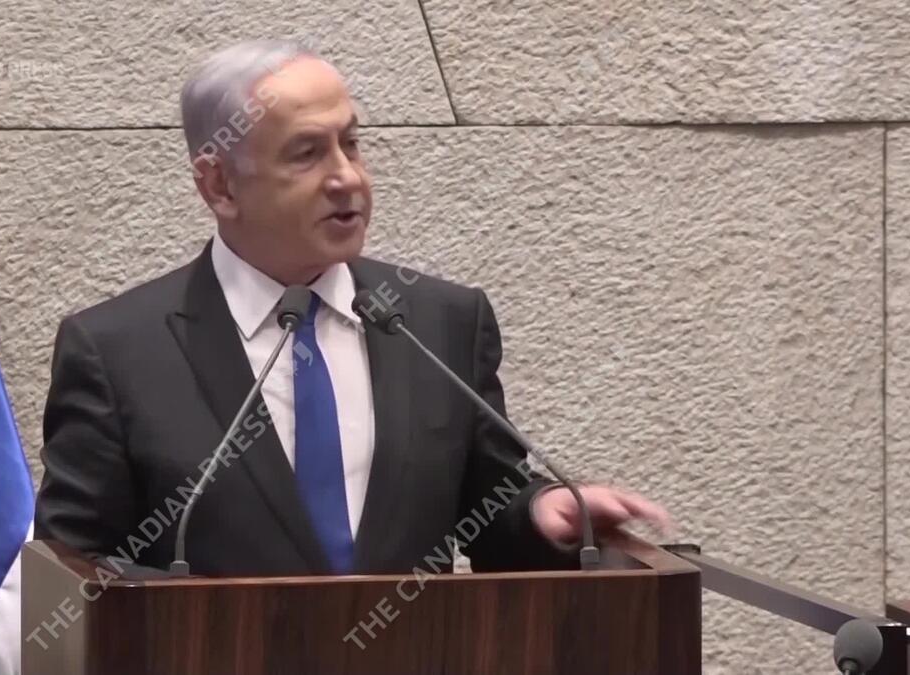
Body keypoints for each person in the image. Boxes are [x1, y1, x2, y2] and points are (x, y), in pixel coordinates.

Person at [33, 40, 672, 576]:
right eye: (307, 153)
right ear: (220, 184)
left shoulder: (442, 322)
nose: (347, 178)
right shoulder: (117, 351)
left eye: (352, 143)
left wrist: (538, 513)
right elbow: (76, 567)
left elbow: (487, 508)